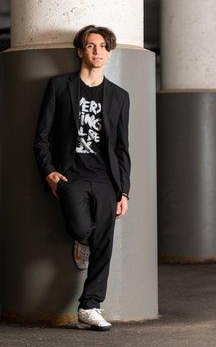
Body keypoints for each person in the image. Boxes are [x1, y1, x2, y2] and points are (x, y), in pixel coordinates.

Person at [34, 25, 131, 331]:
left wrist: (124, 191)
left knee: (105, 242)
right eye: (91, 46)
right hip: (70, 176)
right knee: (81, 227)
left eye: (103, 46)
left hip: (105, 178)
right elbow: (42, 136)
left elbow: (121, 147)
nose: (97, 52)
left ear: (110, 52)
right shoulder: (60, 86)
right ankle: (83, 242)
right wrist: (48, 170)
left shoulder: (119, 96)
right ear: (80, 51)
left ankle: (89, 307)